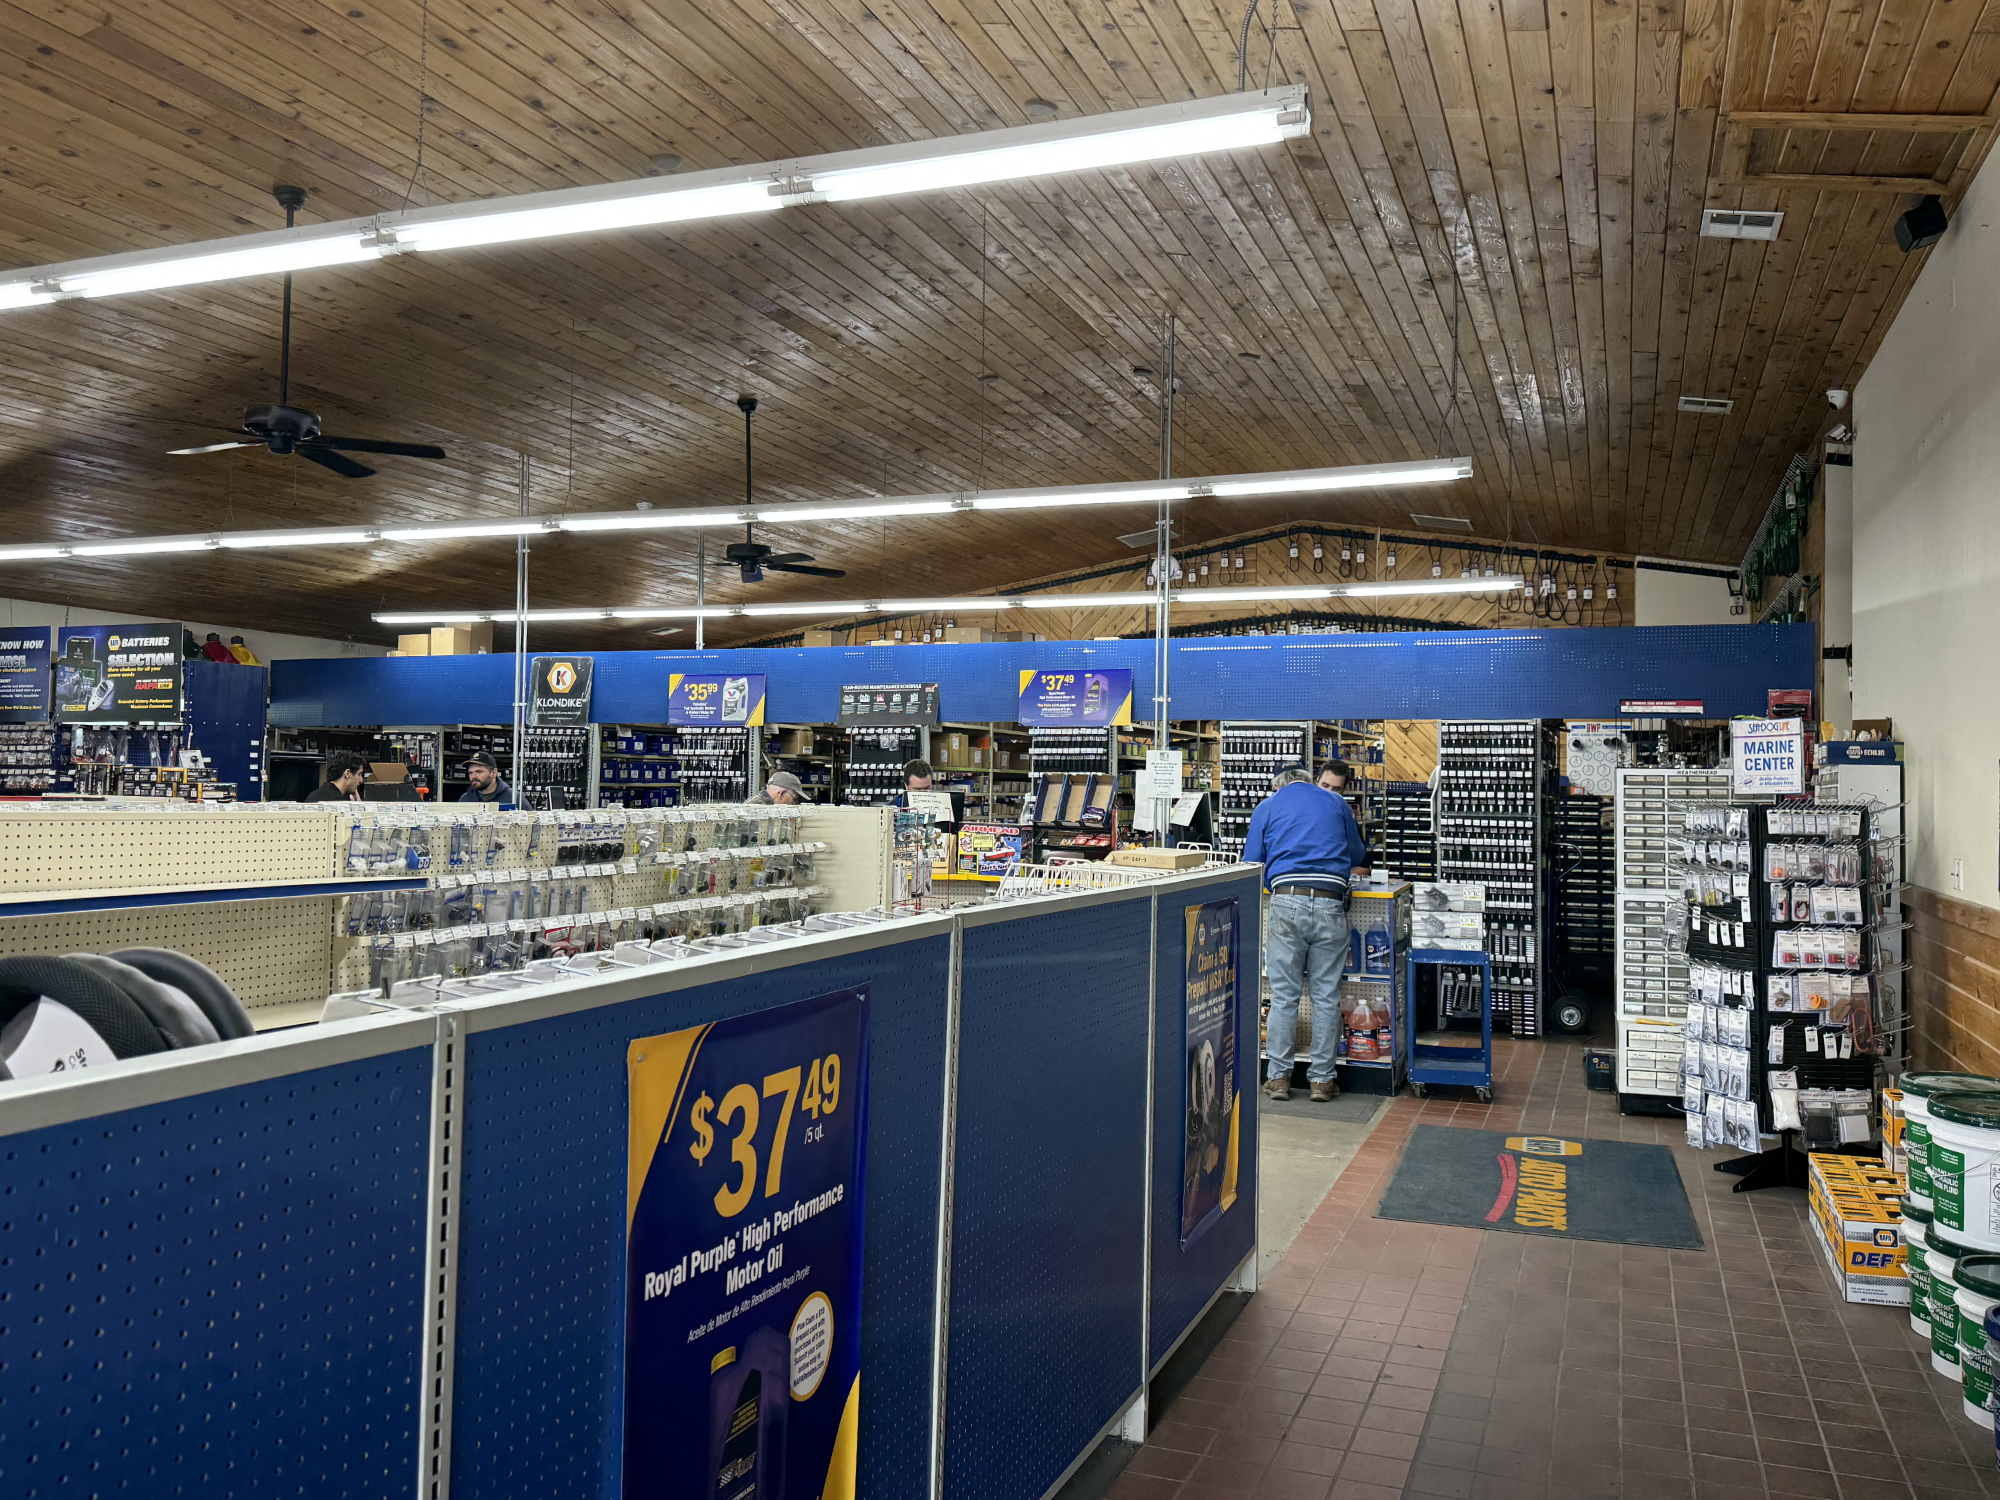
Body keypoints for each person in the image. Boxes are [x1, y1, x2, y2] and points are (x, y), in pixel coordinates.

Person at [1243, 764, 1370, 1103]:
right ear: (1310, 781)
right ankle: (1322, 1081)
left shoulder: (1267, 807)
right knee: (1325, 996)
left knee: (1285, 996)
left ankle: (1279, 1079)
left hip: (1287, 902)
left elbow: (1252, 863)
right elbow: (1358, 855)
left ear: (1278, 786)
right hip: (1331, 904)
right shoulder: (1336, 803)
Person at [303, 750, 368, 802]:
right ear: (347, 773)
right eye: (359, 774)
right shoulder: (338, 802)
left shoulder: (314, 795)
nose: (361, 780)